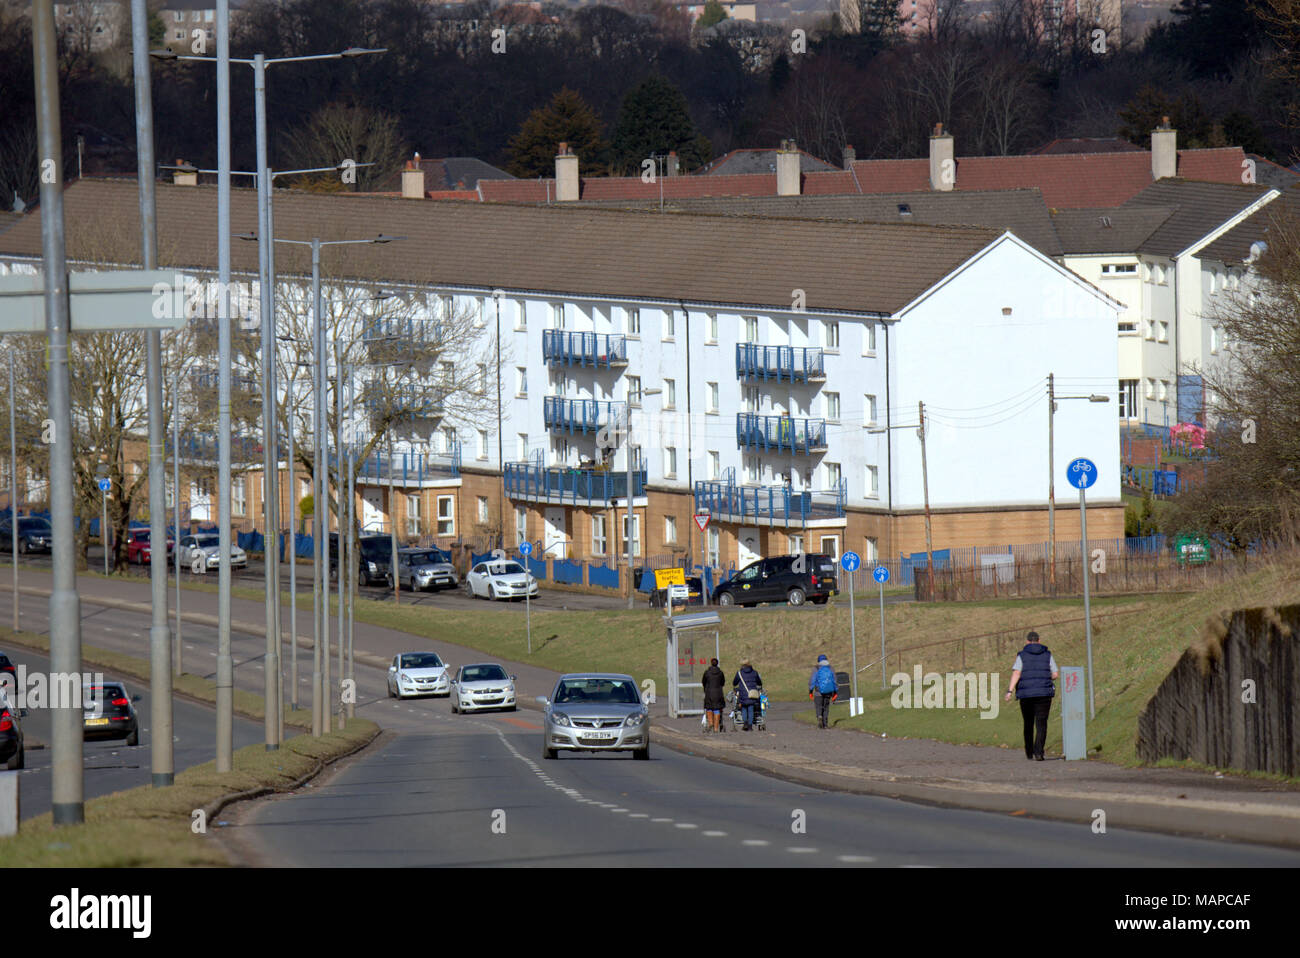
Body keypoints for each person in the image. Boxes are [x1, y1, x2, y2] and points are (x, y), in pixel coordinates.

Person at [1004, 631, 1059, 761]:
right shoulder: (1048, 654)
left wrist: (1010, 691)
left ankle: (1029, 752)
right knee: (1041, 723)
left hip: (1026, 694)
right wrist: (1045, 677)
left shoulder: (1022, 655)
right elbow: (1055, 674)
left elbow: (1017, 673)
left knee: (1028, 723)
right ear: (1039, 640)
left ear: (1027, 642)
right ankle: (1039, 752)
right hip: (1044, 694)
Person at [809, 654, 838, 729]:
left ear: (818, 661)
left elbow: (812, 680)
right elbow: (834, 680)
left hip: (818, 692)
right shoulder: (830, 668)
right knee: (826, 707)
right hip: (828, 691)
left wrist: (810, 691)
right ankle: (825, 724)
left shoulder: (816, 668)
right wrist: (835, 692)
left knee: (818, 706)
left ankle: (819, 716)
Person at [732, 658, 763, 731]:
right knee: (751, 708)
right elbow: (759, 682)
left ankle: (745, 723)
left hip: (743, 693)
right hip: (752, 693)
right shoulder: (754, 672)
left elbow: (734, 683)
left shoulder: (739, 673)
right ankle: (750, 726)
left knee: (744, 708)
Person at [701, 658, 726, 732]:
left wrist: (706, 688)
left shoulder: (707, 672)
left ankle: (711, 723)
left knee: (709, 708)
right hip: (718, 693)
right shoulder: (720, 673)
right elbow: (722, 682)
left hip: (709, 693)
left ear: (711, 663)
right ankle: (716, 727)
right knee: (717, 709)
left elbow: (703, 682)